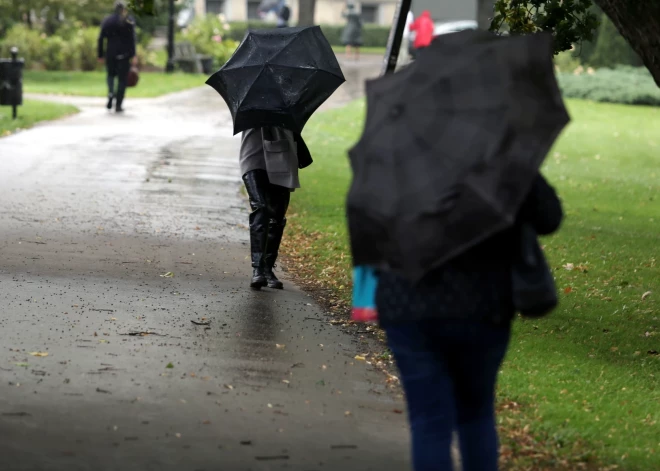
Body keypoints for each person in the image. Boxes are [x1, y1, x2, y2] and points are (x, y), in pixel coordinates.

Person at [376, 175, 563, 471]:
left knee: (428, 421)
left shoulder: (401, 155)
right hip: (482, 303)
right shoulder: (499, 154)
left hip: (409, 302)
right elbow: (549, 217)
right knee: (476, 413)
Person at [240, 126, 313, 290]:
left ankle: (268, 268)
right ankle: (257, 269)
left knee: (277, 216)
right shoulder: (250, 102)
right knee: (261, 208)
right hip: (254, 156)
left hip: (282, 157)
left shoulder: (288, 102)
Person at [98, 1, 137, 113]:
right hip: (124, 55)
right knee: (122, 79)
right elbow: (132, 39)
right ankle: (118, 104)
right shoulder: (129, 21)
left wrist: (100, 54)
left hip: (111, 54)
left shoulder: (108, 21)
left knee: (110, 75)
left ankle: (111, 93)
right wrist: (134, 55)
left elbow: (101, 38)